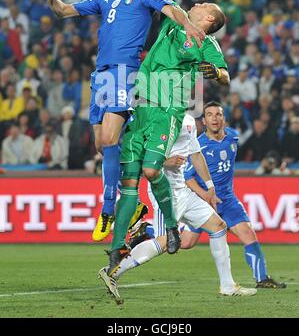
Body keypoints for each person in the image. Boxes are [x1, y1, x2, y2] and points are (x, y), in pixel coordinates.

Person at [35, 0, 204, 242]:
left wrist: (188, 24)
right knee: (102, 144)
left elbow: (168, 7)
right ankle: (135, 204)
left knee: (111, 139)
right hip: (100, 75)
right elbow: (64, 11)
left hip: (124, 73)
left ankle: (109, 208)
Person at [103, 0, 229, 274]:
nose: (197, 3)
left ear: (210, 18)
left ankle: (170, 227)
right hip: (141, 103)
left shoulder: (206, 41)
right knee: (130, 177)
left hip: (167, 107)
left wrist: (216, 73)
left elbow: (226, 75)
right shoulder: (176, 21)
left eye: (203, 5)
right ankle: (117, 249)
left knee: (149, 170)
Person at [98, 114, 257, 304]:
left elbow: (196, 154)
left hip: (183, 189)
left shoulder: (188, 120)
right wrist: (166, 162)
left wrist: (209, 185)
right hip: (163, 190)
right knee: (164, 241)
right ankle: (113, 272)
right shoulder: (152, 118)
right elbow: (138, 158)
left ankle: (228, 285)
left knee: (219, 226)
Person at [181, 101, 286, 289]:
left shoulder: (233, 138)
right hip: (204, 202)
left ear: (224, 119)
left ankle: (262, 279)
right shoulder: (198, 146)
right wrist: (205, 195)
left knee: (248, 233)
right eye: (210, 115)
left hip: (228, 200)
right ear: (204, 121)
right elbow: (187, 177)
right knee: (187, 243)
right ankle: (148, 232)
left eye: (218, 114)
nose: (215, 118)